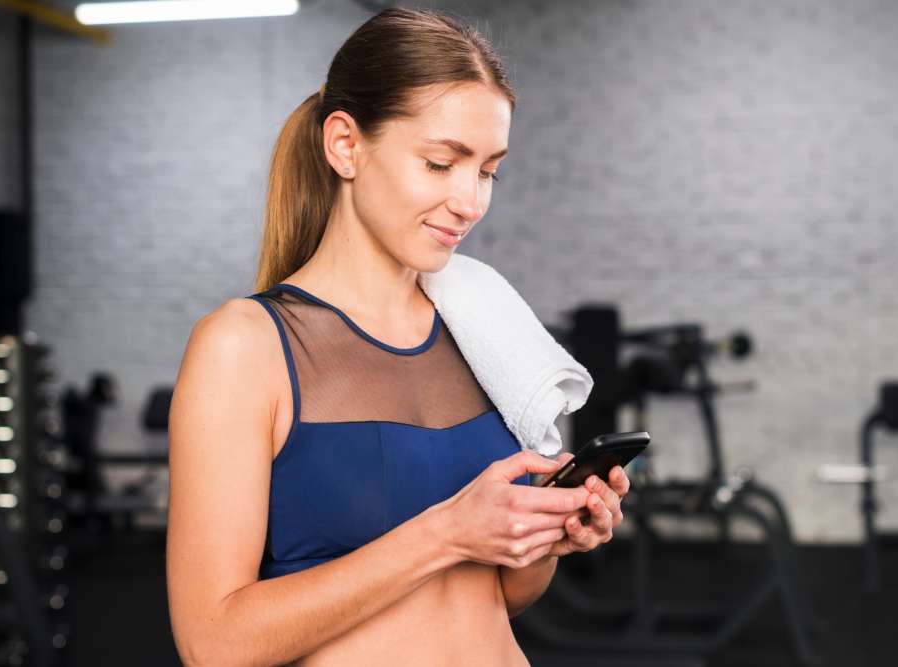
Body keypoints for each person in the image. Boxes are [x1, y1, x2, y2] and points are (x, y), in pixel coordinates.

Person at [166, 7, 630, 666]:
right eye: (442, 163)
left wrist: (546, 537)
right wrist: (447, 532)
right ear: (346, 146)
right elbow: (212, 643)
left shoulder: (482, 325)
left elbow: (499, 595)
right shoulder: (245, 346)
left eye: (488, 170)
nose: (471, 200)